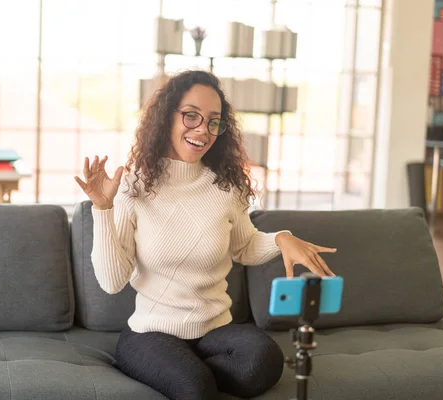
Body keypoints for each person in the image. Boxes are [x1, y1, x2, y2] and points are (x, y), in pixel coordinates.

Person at [74, 70, 336, 400]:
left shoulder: (225, 186)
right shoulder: (132, 185)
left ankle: (186, 369)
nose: (203, 130)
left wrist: (281, 238)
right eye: (191, 116)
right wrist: (103, 208)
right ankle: (181, 372)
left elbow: (245, 246)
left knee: (264, 362)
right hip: (152, 332)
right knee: (195, 388)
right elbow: (112, 282)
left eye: (213, 121)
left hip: (215, 330)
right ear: (165, 116)